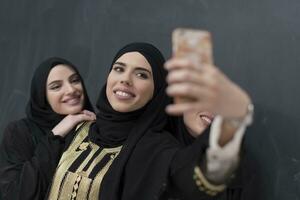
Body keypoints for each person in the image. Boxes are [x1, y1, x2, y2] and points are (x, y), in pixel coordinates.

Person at [47, 42, 253, 200]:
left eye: (141, 75)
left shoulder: (158, 148)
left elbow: (199, 179)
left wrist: (232, 120)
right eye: (119, 69)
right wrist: (54, 137)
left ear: (157, 91)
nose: (125, 79)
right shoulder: (78, 130)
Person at [0, 57, 96, 200]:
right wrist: (56, 134)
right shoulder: (20, 132)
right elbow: (15, 194)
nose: (71, 89)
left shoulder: (96, 130)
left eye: (75, 80)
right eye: (56, 86)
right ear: (42, 95)